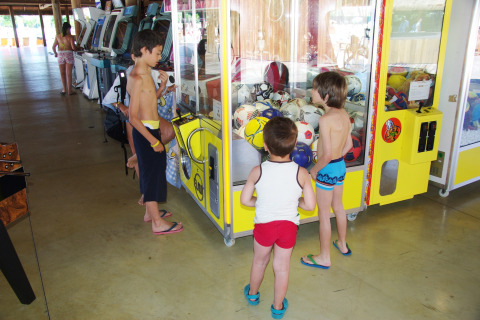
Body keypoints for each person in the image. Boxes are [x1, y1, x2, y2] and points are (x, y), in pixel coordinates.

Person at [240, 117, 316, 319]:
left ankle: (253, 294)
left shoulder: (258, 171)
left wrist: (262, 201)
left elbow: (245, 200)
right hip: (288, 228)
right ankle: (277, 306)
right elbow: (309, 205)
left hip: (264, 227)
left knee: (259, 261)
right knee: (281, 268)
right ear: (294, 146)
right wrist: (294, 202)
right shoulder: (302, 173)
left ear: (265, 146)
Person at [127, 29, 183, 235]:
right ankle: (157, 223)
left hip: (150, 130)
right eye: (157, 53)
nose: (159, 58)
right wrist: (153, 141)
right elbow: (133, 117)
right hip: (146, 132)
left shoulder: (144, 74)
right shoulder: (138, 77)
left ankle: (150, 213)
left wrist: (162, 86)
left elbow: (149, 101)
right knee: (152, 176)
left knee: (154, 173)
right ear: (144, 50)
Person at [301, 71, 353, 269]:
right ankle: (342, 243)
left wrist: (314, 170)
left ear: (326, 95)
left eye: (315, 88)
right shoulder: (344, 114)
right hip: (339, 166)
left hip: (327, 168)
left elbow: (327, 154)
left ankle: (324, 257)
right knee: (338, 207)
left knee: (324, 214)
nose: (312, 91)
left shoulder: (325, 120)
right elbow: (347, 146)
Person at [52, 22, 78, 95]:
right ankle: (70, 90)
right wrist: (77, 48)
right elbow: (73, 47)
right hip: (69, 54)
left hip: (60, 54)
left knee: (62, 73)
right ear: (68, 29)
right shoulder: (70, 37)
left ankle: (64, 89)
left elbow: (53, 46)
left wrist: (55, 53)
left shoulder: (58, 36)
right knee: (68, 73)